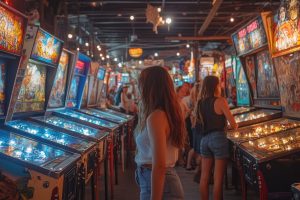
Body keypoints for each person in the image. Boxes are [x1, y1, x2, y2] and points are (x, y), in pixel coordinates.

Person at [135, 66, 185, 200]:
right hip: (158, 182)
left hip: (160, 185)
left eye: (141, 84)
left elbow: (160, 164)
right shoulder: (164, 113)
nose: (139, 88)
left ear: (150, 87)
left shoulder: (156, 117)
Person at [198, 76, 238, 200]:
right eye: (219, 84)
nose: (220, 86)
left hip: (204, 140)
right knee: (218, 178)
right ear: (215, 86)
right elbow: (233, 124)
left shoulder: (200, 102)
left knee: (204, 177)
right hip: (218, 139)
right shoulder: (220, 101)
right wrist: (235, 126)